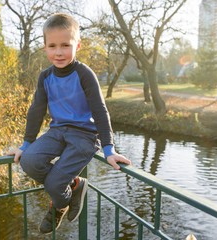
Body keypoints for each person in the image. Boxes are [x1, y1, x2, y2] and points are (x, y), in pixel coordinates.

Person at [7, 13, 131, 234]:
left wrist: (108, 148)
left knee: (54, 183)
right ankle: (74, 185)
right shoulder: (45, 77)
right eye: (52, 46)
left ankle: (59, 204)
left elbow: (100, 111)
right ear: (45, 47)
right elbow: (36, 110)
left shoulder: (84, 74)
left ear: (78, 45)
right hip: (57, 131)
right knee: (29, 161)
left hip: (84, 136)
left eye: (65, 45)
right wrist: (26, 145)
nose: (59, 52)